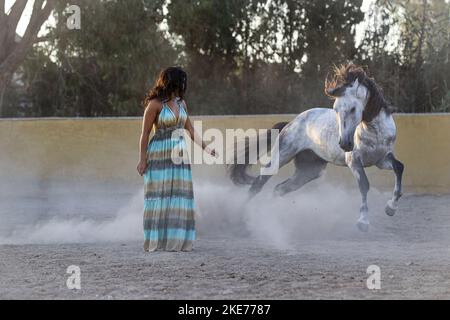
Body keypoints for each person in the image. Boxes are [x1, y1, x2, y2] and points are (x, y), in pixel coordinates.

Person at [137, 66, 215, 252]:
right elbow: (145, 133)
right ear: (171, 81)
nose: (183, 84)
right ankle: (158, 241)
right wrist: (142, 159)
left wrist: (206, 148)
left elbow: (190, 130)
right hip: (159, 153)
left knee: (178, 195)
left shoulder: (182, 104)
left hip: (179, 154)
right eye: (181, 80)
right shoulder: (154, 104)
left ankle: (176, 240)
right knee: (160, 194)